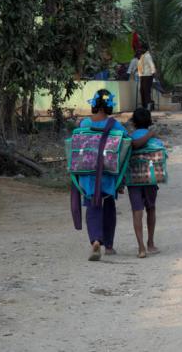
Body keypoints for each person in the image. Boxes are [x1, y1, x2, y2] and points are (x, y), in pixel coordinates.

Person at [76, 90, 127, 261]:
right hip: (107, 173)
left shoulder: (84, 124)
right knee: (109, 206)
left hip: (88, 174)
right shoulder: (116, 125)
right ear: (110, 106)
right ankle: (109, 246)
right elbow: (126, 144)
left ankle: (95, 241)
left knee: (92, 206)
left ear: (94, 105)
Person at [128, 108, 164, 258]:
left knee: (137, 212)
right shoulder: (155, 139)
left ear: (134, 122)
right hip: (150, 179)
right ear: (149, 121)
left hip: (133, 180)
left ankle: (141, 247)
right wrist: (150, 134)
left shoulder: (128, 138)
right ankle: (150, 243)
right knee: (151, 209)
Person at [137, 43, 156, 111]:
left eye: (141, 48)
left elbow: (151, 64)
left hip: (148, 75)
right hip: (142, 75)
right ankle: (144, 105)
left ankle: (148, 106)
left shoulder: (147, 56)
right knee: (142, 91)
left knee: (146, 91)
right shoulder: (142, 56)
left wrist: (153, 73)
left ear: (145, 49)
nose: (140, 50)